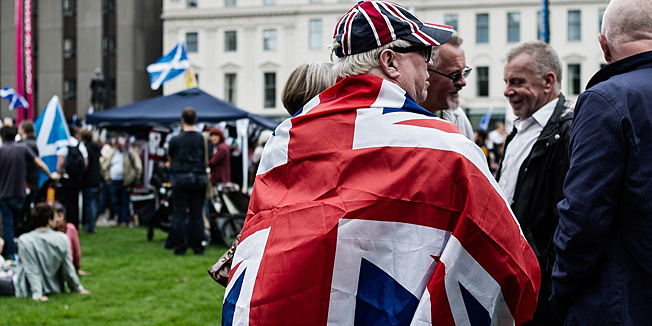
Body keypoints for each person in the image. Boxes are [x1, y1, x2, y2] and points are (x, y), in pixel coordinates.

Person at [222, 2, 540, 325]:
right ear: (390, 61)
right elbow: (512, 267)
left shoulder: (284, 140)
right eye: (423, 53)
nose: (430, 66)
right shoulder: (448, 149)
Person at [551, 0, 652, 324]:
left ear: (603, 45)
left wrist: (558, 292)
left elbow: (583, 217)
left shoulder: (606, 99)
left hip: (621, 302)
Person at [496, 40, 574, 326]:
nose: (507, 91)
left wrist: (550, 284)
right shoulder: (519, 130)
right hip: (514, 276)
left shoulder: (568, 132)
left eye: (516, 82)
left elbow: (568, 220)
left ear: (548, 81)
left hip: (540, 287)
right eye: (506, 82)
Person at [0, 203, 90, 301]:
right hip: (52, 286)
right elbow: (68, 267)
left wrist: (37, 294)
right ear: (49, 220)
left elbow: (32, 269)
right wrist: (77, 287)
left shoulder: (25, 240)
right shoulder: (62, 238)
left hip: (23, 287)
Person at [0, 126, 55, 259]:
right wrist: (50, 175)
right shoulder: (23, 148)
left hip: (4, 193)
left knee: (7, 224)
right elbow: (39, 163)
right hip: (20, 193)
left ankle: (12, 252)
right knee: (17, 222)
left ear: (2, 137)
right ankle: (17, 249)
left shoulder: (1, 151)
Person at [419, 32, 474, 140]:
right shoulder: (395, 118)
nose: (463, 82)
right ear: (426, 73)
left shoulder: (459, 119)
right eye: (455, 75)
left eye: (464, 72)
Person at [167, 107, 207, 255]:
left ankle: (179, 247)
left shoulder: (175, 139)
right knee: (197, 213)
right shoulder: (203, 139)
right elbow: (206, 158)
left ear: (182, 120)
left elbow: (170, 158)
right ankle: (198, 246)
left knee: (179, 214)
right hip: (199, 177)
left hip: (181, 177)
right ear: (195, 120)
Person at [101, 136, 142, 227]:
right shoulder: (113, 153)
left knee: (125, 201)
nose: (121, 147)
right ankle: (119, 219)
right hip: (114, 181)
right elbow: (106, 165)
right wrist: (107, 177)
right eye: (119, 145)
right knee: (116, 201)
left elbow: (138, 167)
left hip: (126, 181)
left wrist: (134, 180)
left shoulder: (130, 153)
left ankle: (125, 220)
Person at [56, 127, 88, 229]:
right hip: (77, 178)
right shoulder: (80, 145)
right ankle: (75, 224)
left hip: (67, 178)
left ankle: (65, 223)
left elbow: (60, 163)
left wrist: (59, 173)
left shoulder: (63, 144)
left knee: (65, 202)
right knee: (75, 201)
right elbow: (86, 162)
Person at [51, 202, 89, 276]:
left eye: (59, 216)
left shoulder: (70, 228)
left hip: (67, 264)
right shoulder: (47, 231)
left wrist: (77, 267)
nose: (57, 219)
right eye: (54, 217)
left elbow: (76, 249)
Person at [80, 129, 102, 233]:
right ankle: (91, 224)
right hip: (96, 178)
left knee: (90, 203)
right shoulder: (96, 148)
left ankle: (90, 226)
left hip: (89, 179)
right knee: (93, 202)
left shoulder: (86, 149)